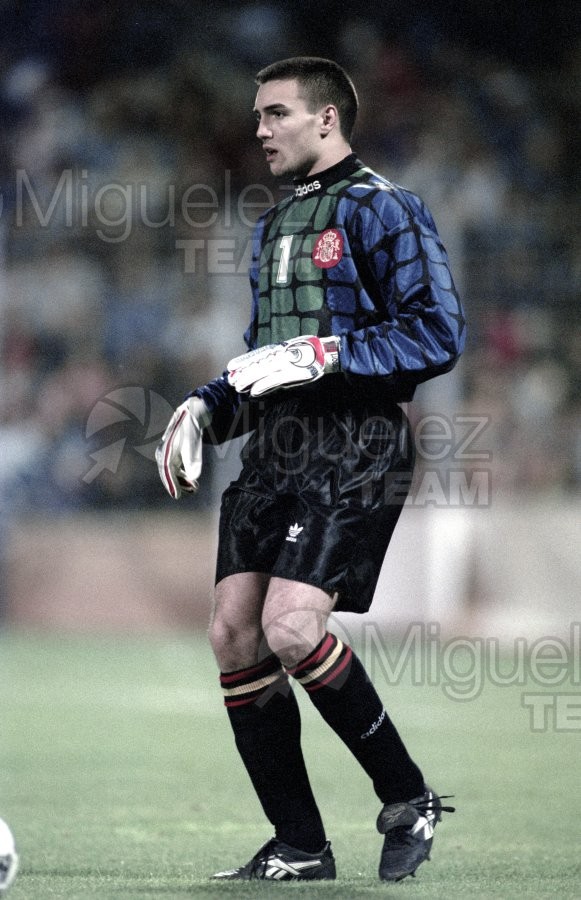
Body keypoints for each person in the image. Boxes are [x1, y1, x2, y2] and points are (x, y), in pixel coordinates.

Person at [156, 56, 463, 883]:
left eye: (275, 113)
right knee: (232, 633)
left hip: (355, 440)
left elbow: (435, 332)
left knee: (292, 627)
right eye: (258, 116)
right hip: (276, 449)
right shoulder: (273, 225)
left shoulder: (385, 210)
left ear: (325, 120)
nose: (258, 129)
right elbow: (270, 361)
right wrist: (208, 406)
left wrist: (331, 350)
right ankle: (299, 844)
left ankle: (408, 798)